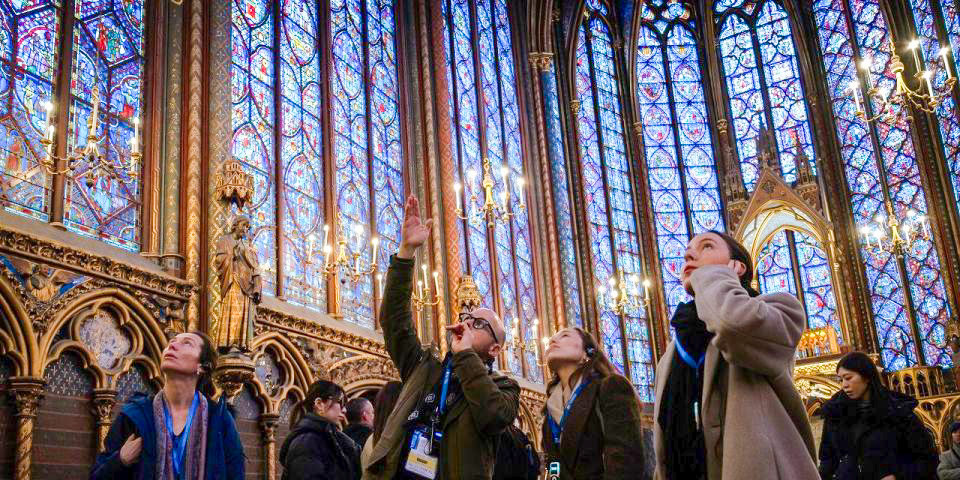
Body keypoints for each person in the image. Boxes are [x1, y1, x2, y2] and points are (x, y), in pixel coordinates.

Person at [363, 194, 520, 480]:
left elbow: (493, 415)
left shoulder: (504, 388)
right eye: (466, 318)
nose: (467, 321)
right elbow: (394, 322)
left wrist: (465, 356)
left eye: (479, 323)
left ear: (495, 349)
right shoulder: (426, 369)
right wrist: (406, 253)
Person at [653, 230, 818, 479]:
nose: (689, 253)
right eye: (687, 250)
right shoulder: (673, 350)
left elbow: (732, 325)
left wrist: (714, 278)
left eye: (707, 246)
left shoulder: (779, 308)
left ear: (738, 267)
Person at [90, 331, 245, 479]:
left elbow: (236, 474)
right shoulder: (135, 415)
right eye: (171, 342)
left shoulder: (219, 420)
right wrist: (121, 460)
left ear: (202, 367)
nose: (172, 346)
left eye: (187, 343)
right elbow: (98, 476)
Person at [539, 327, 643, 479]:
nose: (552, 340)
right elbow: (555, 469)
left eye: (565, 335)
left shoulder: (610, 387)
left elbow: (626, 460)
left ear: (586, 352)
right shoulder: (549, 411)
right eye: (552, 339)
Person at [819, 351, 938, 480]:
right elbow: (827, 461)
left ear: (867, 376)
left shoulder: (897, 411)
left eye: (848, 378)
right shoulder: (835, 413)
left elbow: (927, 459)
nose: (844, 385)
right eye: (840, 380)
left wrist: (898, 476)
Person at [279, 380, 361, 480]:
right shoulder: (308, 442)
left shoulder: (330, 438)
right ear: (319, 404)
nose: (344, 410)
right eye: (341, 403)